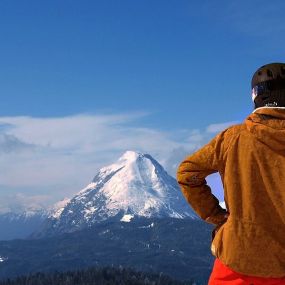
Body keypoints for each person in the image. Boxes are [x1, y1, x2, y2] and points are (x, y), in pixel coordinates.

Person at [176, 62, 285, 285]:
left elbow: (188, 173)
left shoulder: (233, 139)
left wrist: (217, 216)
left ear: (256, 96)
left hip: (238, 261)